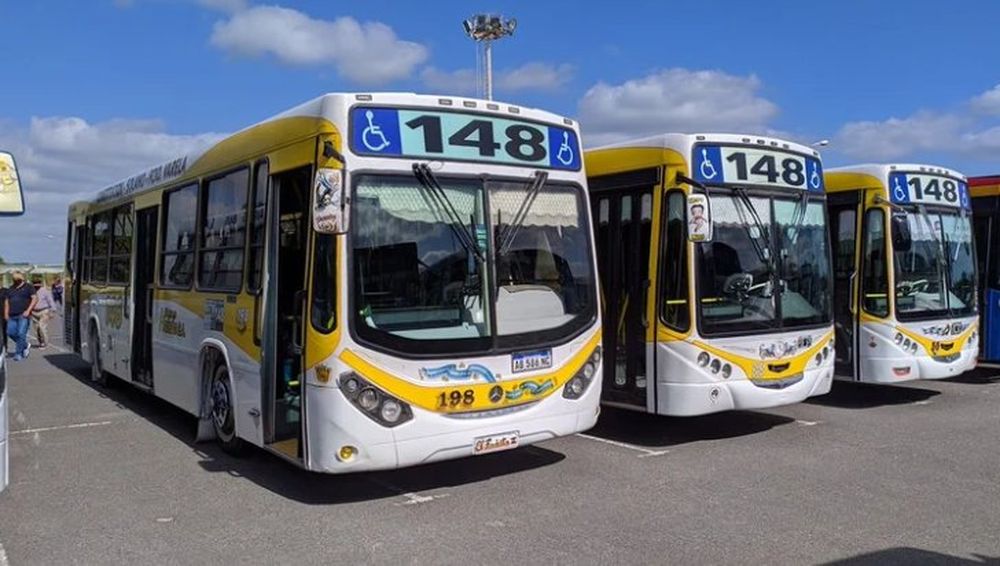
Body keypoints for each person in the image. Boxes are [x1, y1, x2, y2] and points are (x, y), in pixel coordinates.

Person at [4, 270, 36, 360]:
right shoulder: (10, 289)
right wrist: (6, 313)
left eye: (17, 280)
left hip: (23, 315)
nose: (15, 281)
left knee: (21, 333)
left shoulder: (28, 287)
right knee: (10, 333)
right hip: (11, 315)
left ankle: (18, 354)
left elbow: (34, 299)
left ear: (21, 279)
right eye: (14, 280)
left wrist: (28, 310)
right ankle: (25, 345)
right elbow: (7, 302)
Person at [32, 279, 56, 349]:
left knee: (42, 327)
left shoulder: (45, 291)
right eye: (35, 284)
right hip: (33, 312)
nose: (36, 286)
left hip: (44, 311)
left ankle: (46, 343)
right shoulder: (31, 291)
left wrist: (53, 311)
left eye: (38, 284)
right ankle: (41, 342)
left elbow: (50, 300)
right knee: (36, 329)